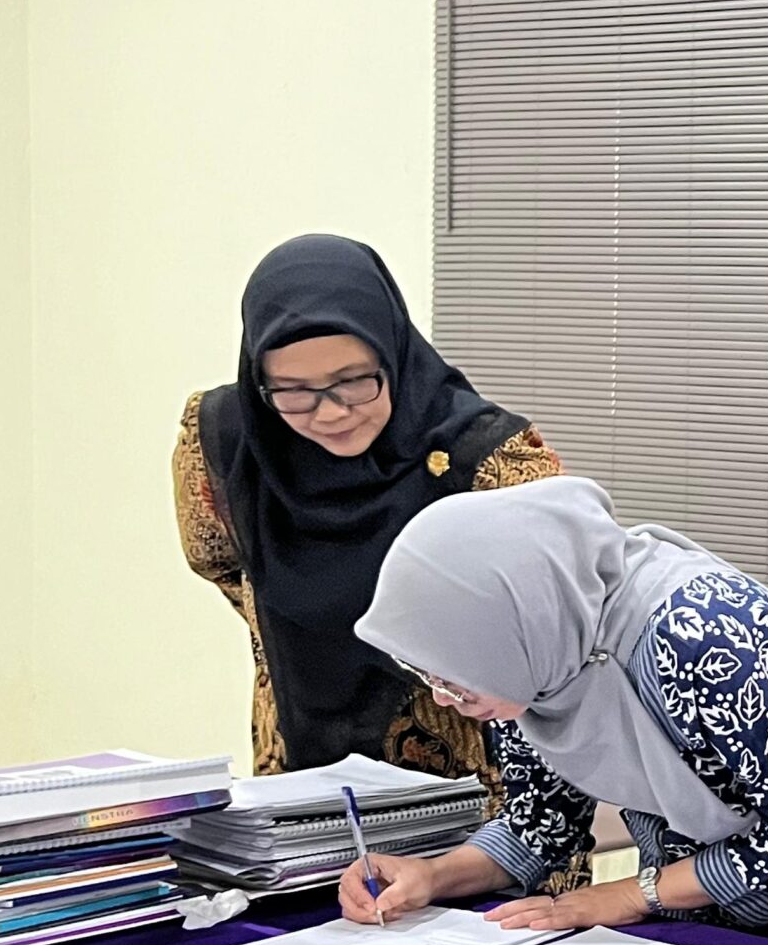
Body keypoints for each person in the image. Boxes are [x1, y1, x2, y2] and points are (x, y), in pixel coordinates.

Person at [333, 476, 768, 945]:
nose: (444, 699)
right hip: (697, 913)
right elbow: (540, 823)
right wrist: (431, 878)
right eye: (429, 677)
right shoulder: (543, 651)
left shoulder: (703, 632)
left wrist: (633, 894)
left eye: (453, 677)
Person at [174, 234, 561, 802]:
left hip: (486, 797)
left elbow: (562, 617)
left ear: (393, 351)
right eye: (293, 392)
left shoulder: (489, 460)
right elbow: (218, 559)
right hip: (300, 767)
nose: (331, 413)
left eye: (355, 381)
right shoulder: (226, 441)